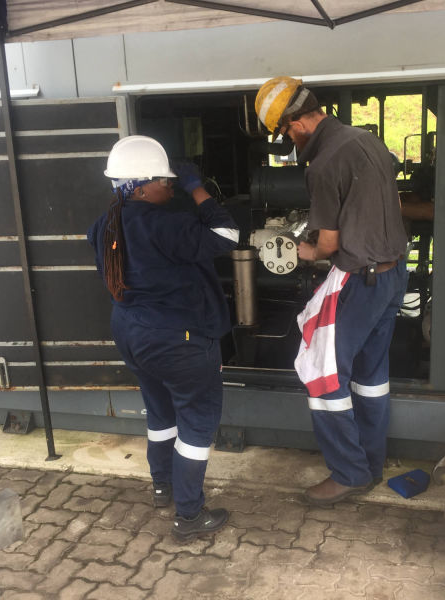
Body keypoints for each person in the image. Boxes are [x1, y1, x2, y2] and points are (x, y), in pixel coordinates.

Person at [255, 77, 409, 505]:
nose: (290, 141)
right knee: (370, 376)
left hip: (360, 281)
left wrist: (304, 251)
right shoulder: (368, 140)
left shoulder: (324, 164)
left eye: (286, 133)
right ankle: (371, 465)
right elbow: (392, 205)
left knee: (320, 374)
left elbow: (328, 243)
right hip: (393, 274)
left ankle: (349, 473)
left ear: (296, 123)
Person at [87, 135, 239, 541]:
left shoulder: (104, 225)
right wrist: (197, 189)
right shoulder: (168, 223)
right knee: (197, 421)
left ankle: (162, 486)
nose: (170, 186)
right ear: (139, 187)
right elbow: (228, 236)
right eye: (164, 180)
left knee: (160, 413)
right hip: (177, 338)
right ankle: (189, 516)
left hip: (131, 331)